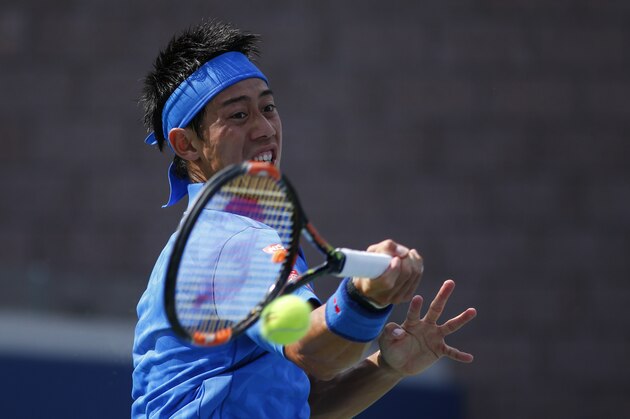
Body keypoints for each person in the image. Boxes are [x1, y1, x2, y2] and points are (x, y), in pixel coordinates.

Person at [132, 19, 477, 418]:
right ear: (186, 144)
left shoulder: (224, 238)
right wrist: (365, 298)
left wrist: (386, 368)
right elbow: (312, 353)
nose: (265, 129)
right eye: (239, 116)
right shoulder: (230, 242)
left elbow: (300, 406)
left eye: (268, 107)